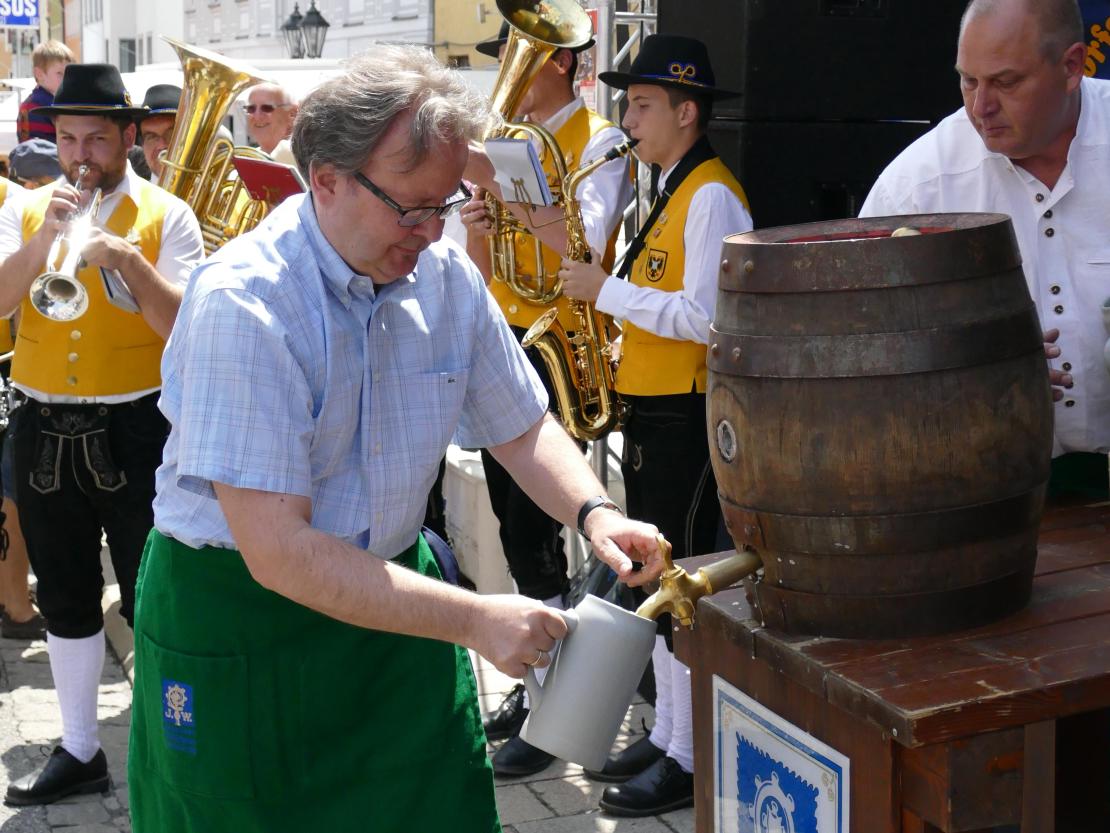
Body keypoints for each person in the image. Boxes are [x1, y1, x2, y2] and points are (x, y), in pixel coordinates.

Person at [126, 46, 663, 833]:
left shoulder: (445, 276)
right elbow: (279, 551)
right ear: (327, 179)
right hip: (242, 615)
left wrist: (593, 512)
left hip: (395, 615)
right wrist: (477, 619)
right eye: (410, 208)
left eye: (444, 205)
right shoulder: (245, 303)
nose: (430, 231)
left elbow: (519, 425)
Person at [558, 34, 754, 817]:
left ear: (686, 110)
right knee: (655, 582)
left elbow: (709, 319)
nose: (627, 120)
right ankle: (670, 734)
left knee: (680, 581)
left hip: (685, 415)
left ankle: (690, 753)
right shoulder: (669, 186)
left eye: (640, 105)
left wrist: (605, 293)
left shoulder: (710, 194)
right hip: (653, 409)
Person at [0, 63, 204, 807]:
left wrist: (124, 258)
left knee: (154, 588)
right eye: (66, 138)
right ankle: (82, 747)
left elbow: (183, 323)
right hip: (43, 419)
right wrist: (43, 240)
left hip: (136, 424)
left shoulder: (167, 213)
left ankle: (163, 739)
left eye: (95, 138)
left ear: (125, 137)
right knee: (64, 591)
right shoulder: (25, 208)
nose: (80, 155)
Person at [459, 20, 634, 778]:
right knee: (516, 526)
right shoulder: (514, 141)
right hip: (511, 336)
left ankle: (559, 704)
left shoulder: (596, 142)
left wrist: (519, 200)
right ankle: (537, 686)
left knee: (557, 530)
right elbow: (491, 262)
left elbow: (586, 248)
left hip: (566, 345)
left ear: (560, 63)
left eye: (520, 61)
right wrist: (477, 224)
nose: (508, 76)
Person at [860, 0, 1110, 499]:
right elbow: (856, 346)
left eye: (1006, 82)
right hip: (985, 493)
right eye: (968, 81)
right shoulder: (918, 187)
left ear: (1071, 67)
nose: (980, 107)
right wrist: (966, 367)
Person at [16, 41, 75, 144]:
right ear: (39, 74)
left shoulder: (30, 103)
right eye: (59, 73)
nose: (66, 78)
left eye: (69, 73)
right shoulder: (46, 107)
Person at [136, 84, 181, 181]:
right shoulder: (132, 196)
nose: (162, 145)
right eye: (151, 137)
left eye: (171, 134)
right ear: (142, 145)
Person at [244, 82, 298, 161]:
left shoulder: (305, 161)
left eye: (267, 108)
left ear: (292, 114)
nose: (257, 116)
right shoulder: (246, 159)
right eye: (251, 108)